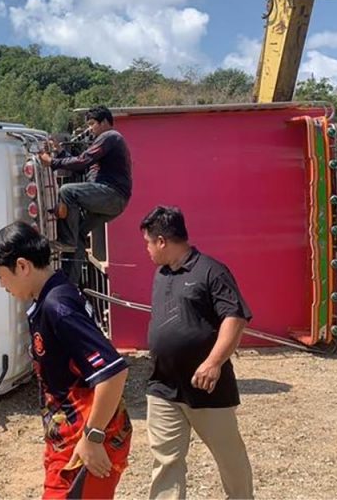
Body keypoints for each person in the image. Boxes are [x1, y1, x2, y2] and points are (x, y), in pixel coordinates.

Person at [0, 221, 131, 499]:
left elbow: (113, 373)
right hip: (67, 438)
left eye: (1, 276)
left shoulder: (58, 306)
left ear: (22, 266)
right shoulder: (52, 297)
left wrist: (93, 437)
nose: (2, 285)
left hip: (84, 442)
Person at [139, 206, 254, 500]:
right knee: (165, 460)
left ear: (162, 241)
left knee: (229, 457)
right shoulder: (161, 274)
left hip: (206, 387)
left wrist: (214, 362)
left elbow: (235, 318)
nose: (147, 249)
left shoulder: (212, 271)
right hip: (162, 385)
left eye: (148, 243)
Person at [39, 106, 131, 284]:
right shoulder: (107, 141)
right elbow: (84, 166)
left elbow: (82, 161)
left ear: (104, 122)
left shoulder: (109, 137)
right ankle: (69, 283)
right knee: (80, 233)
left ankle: (67, 240)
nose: (90, 128)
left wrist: (52, 162)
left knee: (67, 191)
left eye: (92, 124)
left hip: (111, 195)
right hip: (113, 201)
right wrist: (60, 152)